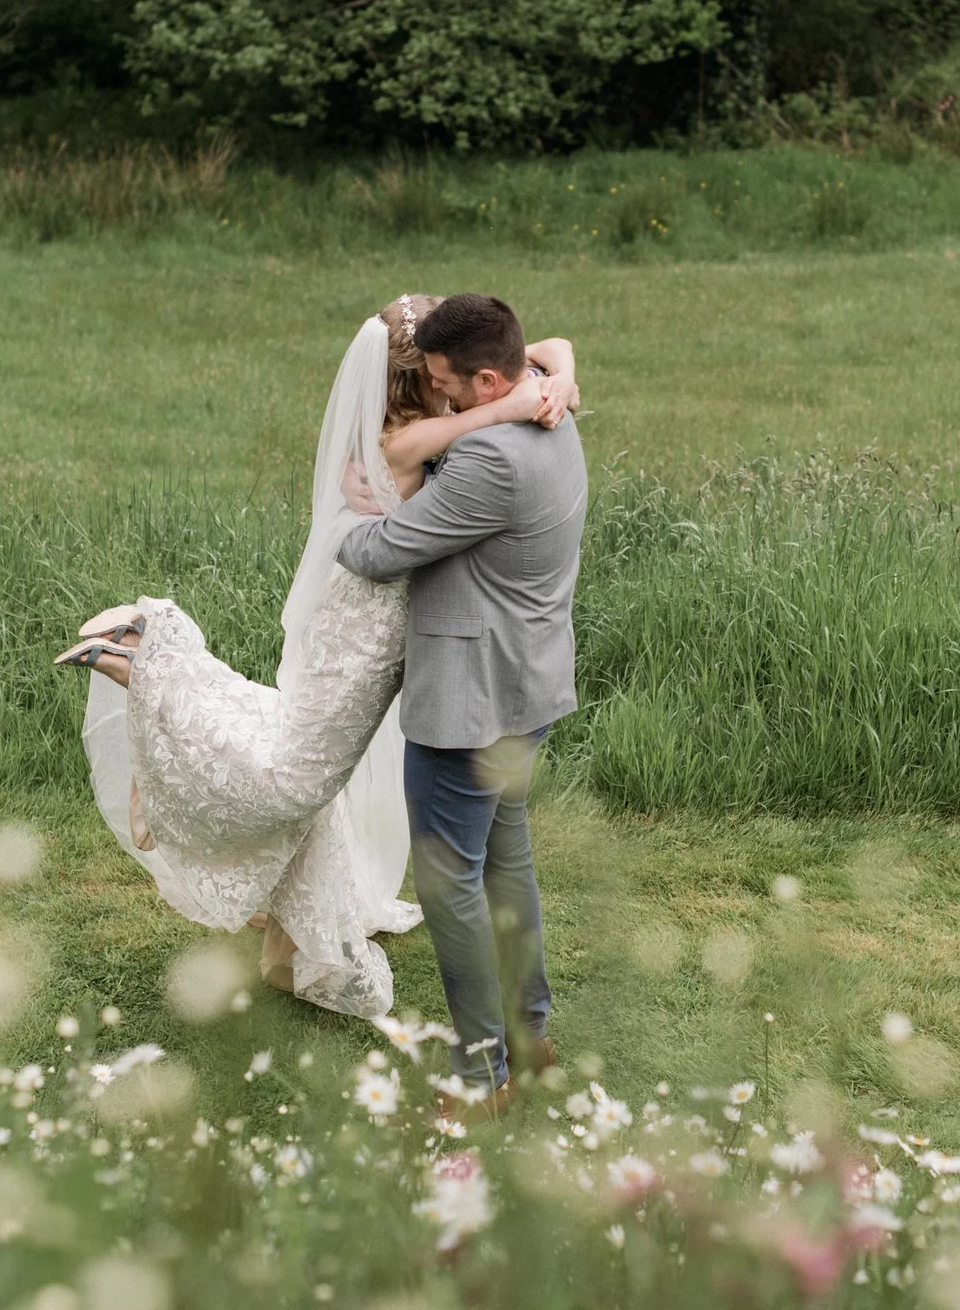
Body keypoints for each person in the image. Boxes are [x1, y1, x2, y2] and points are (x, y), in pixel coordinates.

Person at [60, 296, 577, 1019]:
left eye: (452, 377)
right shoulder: (423, 437)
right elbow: (391, 520)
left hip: (416, 653)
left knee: (298, 764)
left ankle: (154, 665)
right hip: (380, 629)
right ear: (425, 380)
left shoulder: (475, 418)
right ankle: (153, 670)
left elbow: (542, 349)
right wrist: (527, 396)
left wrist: (557, 375)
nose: (449, 387)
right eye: (437, 377)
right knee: (297, 776)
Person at [335, 293, 588, 1107]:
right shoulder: (549, 402)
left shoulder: (490, 459)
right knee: (506, 864)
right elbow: (553, 346)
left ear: (487, 381)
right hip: (528, 684)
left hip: (471, 704)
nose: (436, 393)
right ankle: (529, 1034)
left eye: (445, 382)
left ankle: (483, 1075)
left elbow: (383, 552)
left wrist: (345, 516)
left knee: (451, 888)